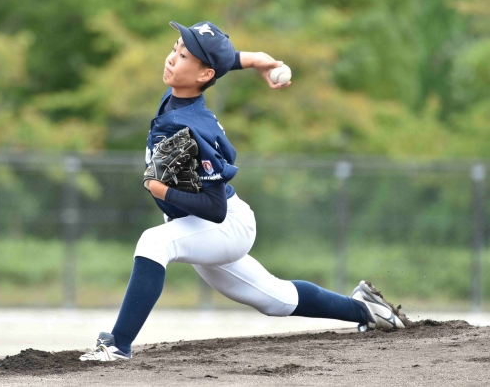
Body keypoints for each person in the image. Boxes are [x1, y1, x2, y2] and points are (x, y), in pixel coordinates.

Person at [80, 21, 407, 362]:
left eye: (184, 56)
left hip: (224, 225)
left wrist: (161, 190)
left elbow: (215, 208)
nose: (172, 58)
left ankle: (118, 345)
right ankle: (365, 309)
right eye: (175, 48)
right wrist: (254, 59)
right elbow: (221, 61)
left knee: (154, 242)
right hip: (194, 225)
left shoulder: (192, 127)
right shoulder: (179, 94)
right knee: (276, 299)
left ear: (204, 75)